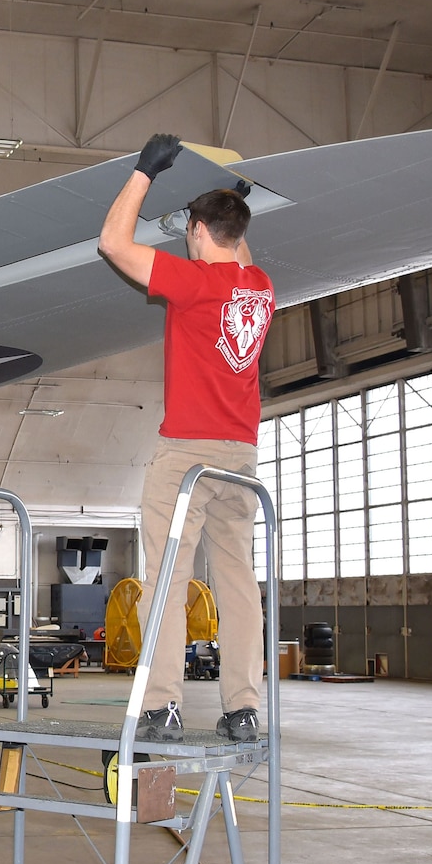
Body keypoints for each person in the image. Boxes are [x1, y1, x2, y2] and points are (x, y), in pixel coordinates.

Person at [97, 133, 274, 745]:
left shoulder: (193, 284)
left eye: (190, 229)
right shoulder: (260, 288)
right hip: (242, 459)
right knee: (238, 582)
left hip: (188, 455)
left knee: (166, 579)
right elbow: (237, 251)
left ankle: (164, 704)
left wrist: (143, 171)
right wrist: (230, 202)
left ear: (197, 231)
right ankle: (245, 706)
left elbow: (112, 242)